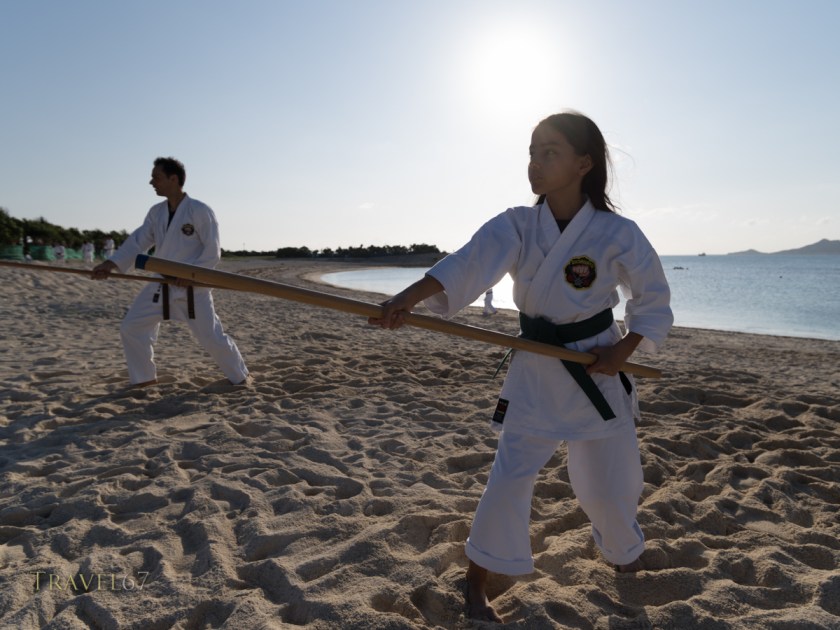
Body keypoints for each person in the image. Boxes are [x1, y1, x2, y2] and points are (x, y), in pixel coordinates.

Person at [369, 111, 673, 622]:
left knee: (612, 483)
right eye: (532, 151)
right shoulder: (517, 224)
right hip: (536, 368)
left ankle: (623, 553)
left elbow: (653, 296)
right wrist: (405, 299)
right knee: (510, 477)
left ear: (583, 163)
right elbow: (466, 263)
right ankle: (476, 582)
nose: (535, 162)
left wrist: (623, 351)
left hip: (594, 365)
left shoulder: (617, 232)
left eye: (549, 152)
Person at [92, 157, 249, 388]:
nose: (151, 182)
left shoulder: (200, 210)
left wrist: (191, 275)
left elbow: (212, 251)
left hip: (192, 287)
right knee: (132, 327)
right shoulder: (156, 212)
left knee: (210, 337)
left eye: (156, 177)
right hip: (160, 284)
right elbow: (138, 241)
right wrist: (111, 263)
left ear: (173, 179)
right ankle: (144, 380)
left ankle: (241, 377)